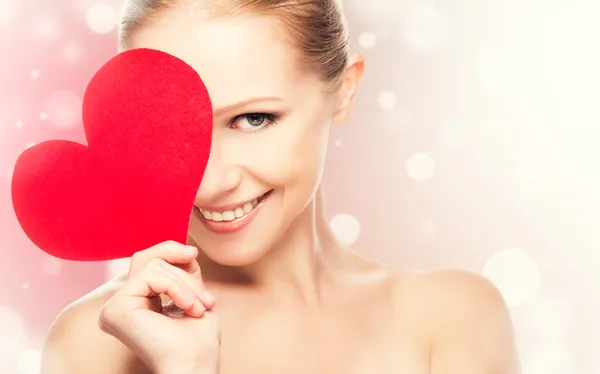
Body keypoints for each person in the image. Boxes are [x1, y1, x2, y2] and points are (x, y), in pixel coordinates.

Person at [41, 0, 520, 373]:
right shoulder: (98, 343)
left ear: (344, 89)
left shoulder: (453, 320)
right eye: (166, 130)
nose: (210, 181)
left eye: (253, 119)